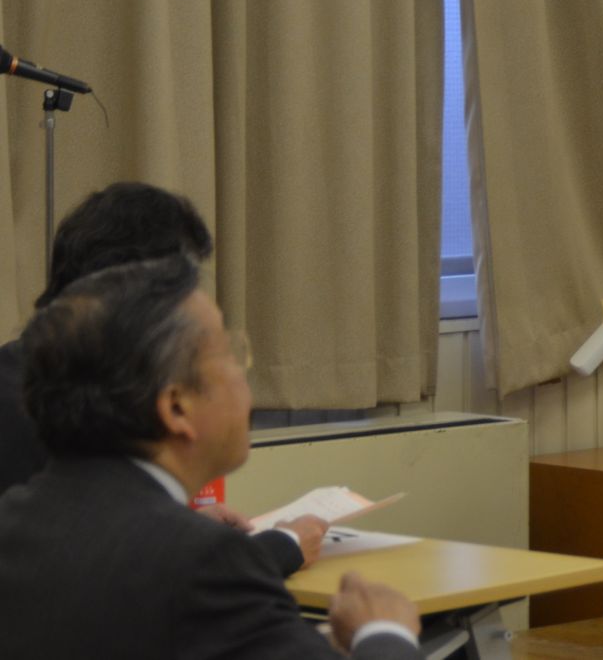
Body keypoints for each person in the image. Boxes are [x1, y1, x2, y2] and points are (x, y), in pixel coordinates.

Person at [0, 254, 421, 659]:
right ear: (176, 407)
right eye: (229, 353)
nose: (243, 373)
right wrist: (385, 631)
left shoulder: (15, 518)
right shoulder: (204, 562)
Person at [0, 182, 323, 575]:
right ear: (137, 296)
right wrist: (282, 547)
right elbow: (104, 572)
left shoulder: (30, 370)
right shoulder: (77, 398)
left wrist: (178, 523)